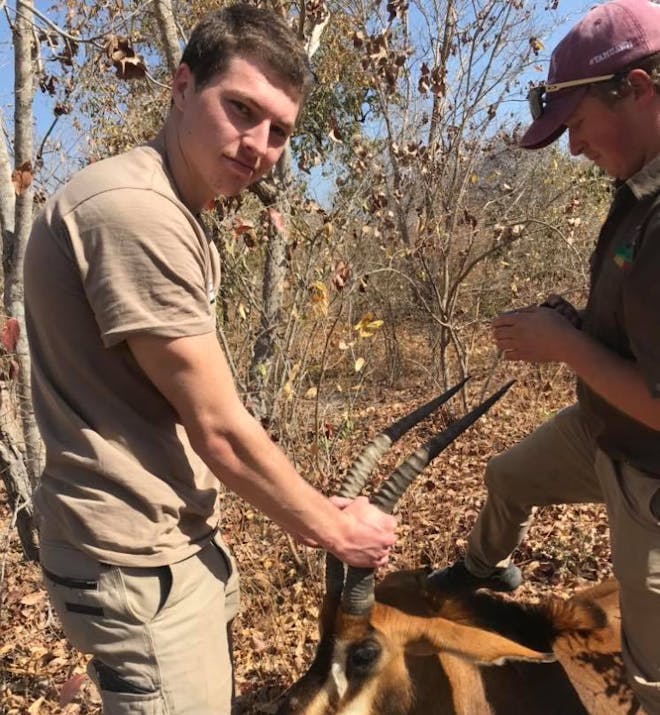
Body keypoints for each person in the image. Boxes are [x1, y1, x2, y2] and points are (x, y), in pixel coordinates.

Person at [23, 5, 397, 714]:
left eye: (279, 130)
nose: (258, 143)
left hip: (159, 546)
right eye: (240, 109)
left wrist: (317, 507)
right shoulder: (137, 214)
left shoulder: (172, 206)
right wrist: (335, 528)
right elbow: (219, 430)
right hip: (138, 563)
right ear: (182, 85)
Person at [428, 0, 660, 711]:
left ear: (642, 90)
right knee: (508, 475)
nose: (574, 149)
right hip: (602, 427)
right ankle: (481, 572)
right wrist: (579, 326)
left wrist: (565, 346)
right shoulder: (638, 191)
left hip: (649, 472)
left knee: (650, 677)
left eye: (579, 125)